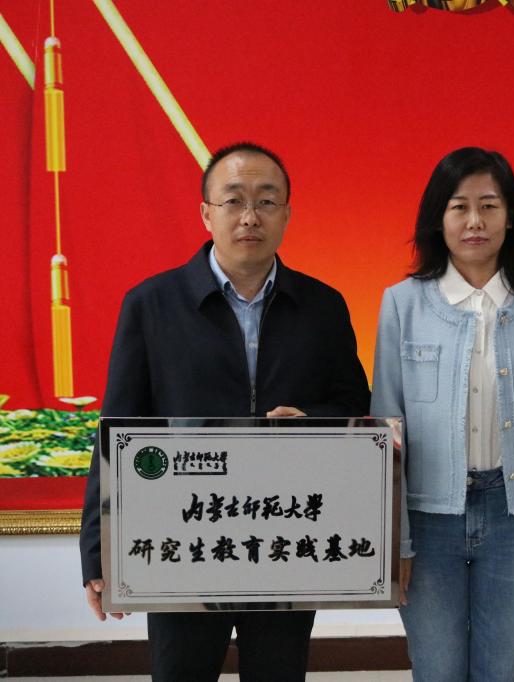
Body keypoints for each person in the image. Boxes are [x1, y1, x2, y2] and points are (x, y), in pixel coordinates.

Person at [78, 142, 370, 681]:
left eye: (266, 201)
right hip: (182, 536)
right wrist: (98, 551)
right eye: (233, 200)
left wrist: (311, 421)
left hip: (284, 534)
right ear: (206, 213)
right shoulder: (152, 304)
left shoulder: (323, 306)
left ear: (287, 214)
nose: (250, 216)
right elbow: (117, 429)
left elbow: (354, 407)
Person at [370, 147, 514, 681]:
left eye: (489, 205)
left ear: (510, 216)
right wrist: (396, 540)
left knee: (500, 669)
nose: (475, 221)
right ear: (438, 219)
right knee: (437, 669)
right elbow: (386, 425)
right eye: (459, 207)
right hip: (428, 517)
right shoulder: (402, 303)